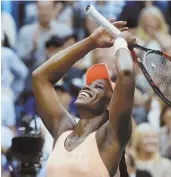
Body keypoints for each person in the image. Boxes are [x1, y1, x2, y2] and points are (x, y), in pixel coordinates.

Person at [32, 20, 136, 177]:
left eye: (99, 87)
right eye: (89, 84)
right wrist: (91, 42)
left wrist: (121, 43)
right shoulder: (63, 129)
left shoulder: (110, 136)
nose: (87, 87)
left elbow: (126, 72)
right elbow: (39, 77)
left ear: (110, 104)